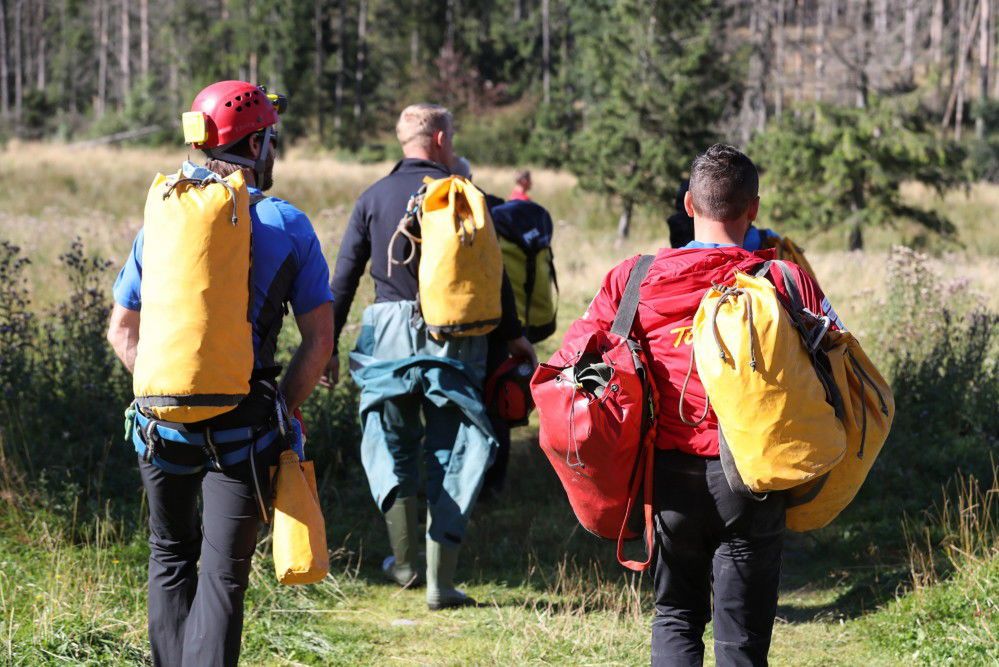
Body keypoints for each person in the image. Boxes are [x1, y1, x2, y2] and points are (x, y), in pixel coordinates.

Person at [566, 145, 843, 666]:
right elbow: (840, 357)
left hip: (665, 475)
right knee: (741, 637)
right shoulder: (784, 280)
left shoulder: (630, 279)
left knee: (676, 615)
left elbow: (576, 358)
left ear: (689, 204)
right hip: (753, 475)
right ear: (753, 209)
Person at [107, 80, 334, 667]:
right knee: (222, 576)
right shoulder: (288, 224)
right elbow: (319, 341)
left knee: (168, 557)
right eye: (272, 140)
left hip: (162, 429)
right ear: (256, 144)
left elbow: (121, 331)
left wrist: (166, 389)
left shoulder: (162, 219)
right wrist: (280, 405)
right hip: (243, 432)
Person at [325, 103, 536, 610]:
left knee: (390, 446)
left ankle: (404, 566)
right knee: (453, 452)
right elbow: (494, 278)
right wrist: (514, 337)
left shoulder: (372, 198)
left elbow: (344, 278)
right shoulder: (468, 198)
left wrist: (324, 345)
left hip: (389, 336)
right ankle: (441, 585)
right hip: (456, 338)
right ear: (440, 139)